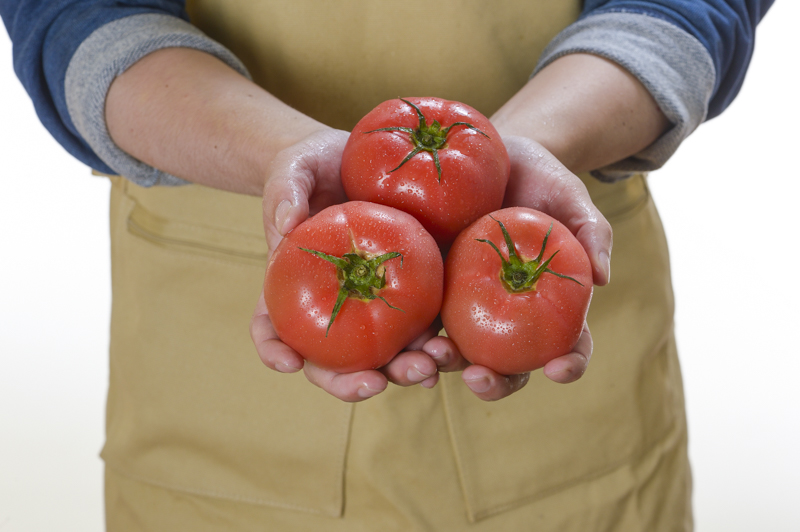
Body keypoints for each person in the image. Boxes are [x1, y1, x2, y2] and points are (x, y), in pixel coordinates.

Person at [0, 0, 774, 530]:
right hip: (210, 394)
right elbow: (72, 12)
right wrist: (277, 156)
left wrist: (519, 155)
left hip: (565, 362)